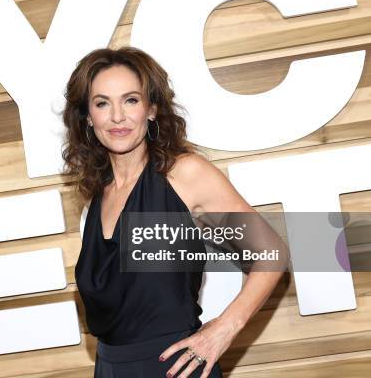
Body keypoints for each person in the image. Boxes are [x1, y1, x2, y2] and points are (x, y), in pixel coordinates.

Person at [60, 46, 285, 378]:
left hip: (172, 367)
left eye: (131, 100)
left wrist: (223, 329)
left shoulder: (183, 175)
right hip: (109, 368)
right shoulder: (98, 194)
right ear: (88, 117)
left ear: (151, 109)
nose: (117, 116)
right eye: (102, 103)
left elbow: (271, 253)